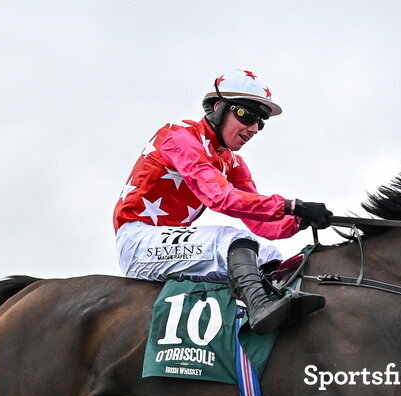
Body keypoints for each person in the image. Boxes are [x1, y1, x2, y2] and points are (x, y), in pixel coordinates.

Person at [113, 68, 332, 334]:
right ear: (218, 108)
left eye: (261, 122)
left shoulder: (233, 162)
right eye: (247, 115)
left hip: (173, 245)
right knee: (230, 240)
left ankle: (273, 309)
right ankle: (261, 309)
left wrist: (299, 220)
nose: (254, 128)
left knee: (268, 255)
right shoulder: (178, 137)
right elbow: (220, 198)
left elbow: (260, 222)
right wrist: (291, 205)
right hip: (138, 242)